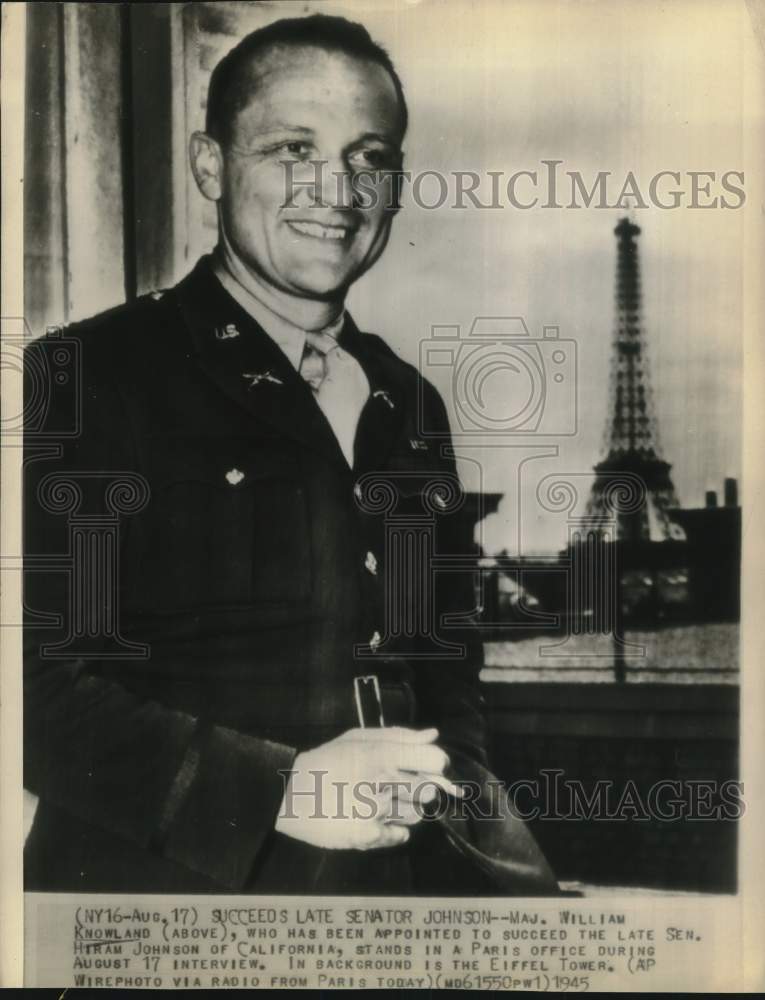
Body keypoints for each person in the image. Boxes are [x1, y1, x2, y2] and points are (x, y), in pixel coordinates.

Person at [23, 13, 556, 895]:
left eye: (368, 157)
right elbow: (28, 691)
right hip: (161, 913)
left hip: (391, 911)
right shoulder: (89, 375)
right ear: (210, 166)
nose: (336, 190)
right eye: (291, 148)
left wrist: (447, 805)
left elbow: (446, 665)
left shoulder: (407, 403)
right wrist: (281, 790)